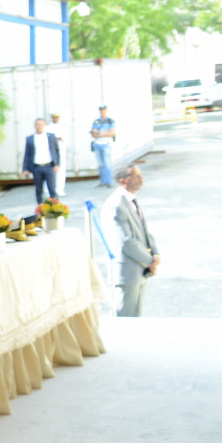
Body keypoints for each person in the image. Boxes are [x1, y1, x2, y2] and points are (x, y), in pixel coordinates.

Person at [115, 166, 159, 317]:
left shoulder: (131, 201)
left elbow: (144, 230)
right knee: (125, 318)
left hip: (140, 270)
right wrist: (150, 261)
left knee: (136, 319)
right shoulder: (117, 205)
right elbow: (126, 241)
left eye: (141, 175)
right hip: (128, 272)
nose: (141, 178)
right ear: (123, 180)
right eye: (137, 176)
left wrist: (155, 254)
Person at [22, 118, 62, 205]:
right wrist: (25, 168)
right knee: (39, 190)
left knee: (52, 189)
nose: (39, 126)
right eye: (37, 124)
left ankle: (55, 207)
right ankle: (40, 207)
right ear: (34, 126)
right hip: (36, 167)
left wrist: (57, 164)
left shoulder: (51, 137)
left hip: (49, 166)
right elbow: (27, 154)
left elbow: (57, 151)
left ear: (45, 126)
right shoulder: (30, 139)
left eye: (41, 124)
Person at [91, 106, 117, 186]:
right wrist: (105, 133)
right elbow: (93, 134)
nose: (102, 112)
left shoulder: (110, 121)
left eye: (104, 110)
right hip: (97, 144)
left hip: (106, 144)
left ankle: (108, 181)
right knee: (101, 164)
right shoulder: (96, 121)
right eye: (101, 110)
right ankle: (103, 182)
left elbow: (112, 133)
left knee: (107, 163)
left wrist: (99, 133)